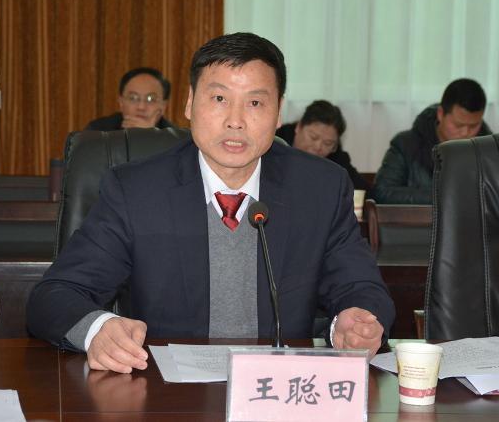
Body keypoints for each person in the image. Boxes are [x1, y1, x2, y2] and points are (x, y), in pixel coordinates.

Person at [27, 32, 395, 373]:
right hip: (164, 395)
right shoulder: (137, 191)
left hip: (279, 390)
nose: (235, 121)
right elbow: (56, 294)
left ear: (279, 112)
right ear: (190, 103)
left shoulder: (319, 188)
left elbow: (361, 287)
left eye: (255, 102)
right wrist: (98, 328)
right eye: (219, 99)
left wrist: (356, 321)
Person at [371, 78, 491, 204]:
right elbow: (382, 193)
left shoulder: (489, 151)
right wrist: (444, 197)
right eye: (458, 125)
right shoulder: (406, 145)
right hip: (418, 217)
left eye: (473, 126)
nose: (465, 133)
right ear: (440, 114)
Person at [276, 100, 370, 190]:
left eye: (328, 143)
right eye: (313, 137)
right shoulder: (274, 142)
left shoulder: (337, 159)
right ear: (298, 127)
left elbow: (363, 190)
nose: (318, 147)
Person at [84, 67, 175, 130]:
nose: (141, 107)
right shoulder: (98, 131)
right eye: (133, 98)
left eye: (150, 99)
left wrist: (149, 135)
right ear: (121, 103)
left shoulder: (176, 139)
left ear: (163, 106)